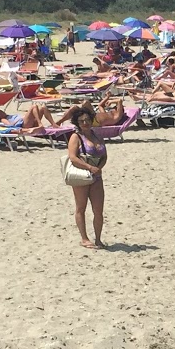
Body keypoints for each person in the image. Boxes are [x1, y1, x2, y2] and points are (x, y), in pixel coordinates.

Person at [64, 104, 107, 248]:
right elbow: (73, 157)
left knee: (98, 210)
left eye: (87, 120)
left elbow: (104, 155)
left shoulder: (96, 135)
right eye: (82, 121)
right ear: (77, 123)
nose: (85, 123)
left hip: (96, 176)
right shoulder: (75, 137)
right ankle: (84, 238)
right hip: (81, 175)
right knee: (81, 207)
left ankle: (98, 239)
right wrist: (89, 167)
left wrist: (99, 168)